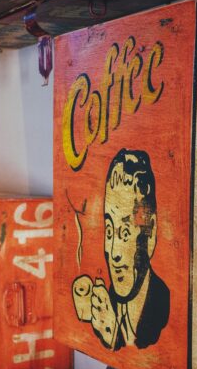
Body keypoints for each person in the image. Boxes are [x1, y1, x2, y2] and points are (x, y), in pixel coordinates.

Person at [72, 149, 170, 350]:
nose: (114, 253)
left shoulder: (161, 306)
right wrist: (108, 334)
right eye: (109, 231)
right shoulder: (108, 302)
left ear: (150, 233)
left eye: (125, 233)